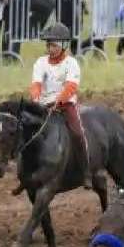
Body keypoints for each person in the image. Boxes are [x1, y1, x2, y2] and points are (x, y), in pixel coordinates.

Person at [28, 22, 90, 186]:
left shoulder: (71, 63)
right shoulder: (40, 62)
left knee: (77, 134)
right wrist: (35, 99)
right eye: (48, 45)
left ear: (64, 45)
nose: (50, 49)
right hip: (43, 105)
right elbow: (36, 84)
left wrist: (58, 101)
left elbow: (71, 86)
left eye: (54, 45)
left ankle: (86, 172)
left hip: (65, 105)